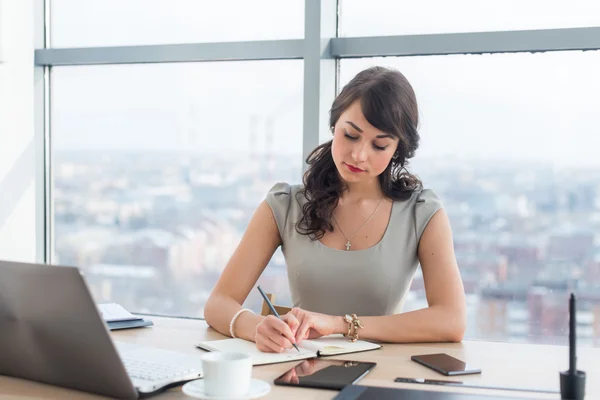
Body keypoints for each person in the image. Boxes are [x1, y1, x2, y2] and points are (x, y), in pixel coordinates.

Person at [204, 66, 466, 353]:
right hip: (297, 369)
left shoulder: (421, 213)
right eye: (350, 135)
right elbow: (218, 304)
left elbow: (451, 320)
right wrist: (255, 327)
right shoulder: (284, 204)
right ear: (334, 124)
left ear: (397, 150)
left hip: (382, 376)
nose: (359, 154)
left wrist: (340, 325)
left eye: (379, 145)